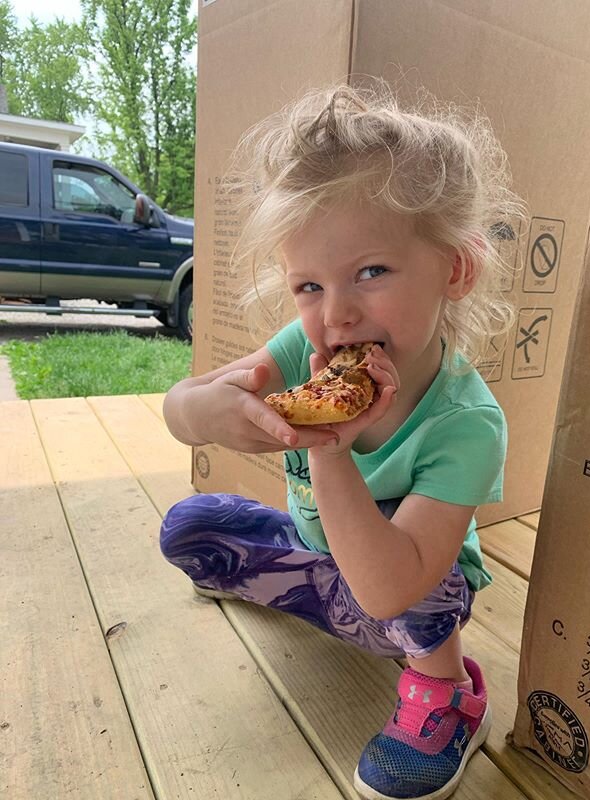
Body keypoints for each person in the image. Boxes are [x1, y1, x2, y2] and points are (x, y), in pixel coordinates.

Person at [159, 83, 526, 800]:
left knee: (418, 589)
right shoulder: (308, 345)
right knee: (189, 528)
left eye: (370, 272)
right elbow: (181, 408)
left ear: (455, 268)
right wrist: (206, 413)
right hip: (327, 570)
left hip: (408, 600)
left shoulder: (465, 424)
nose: (338, 314)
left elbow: (392, 586)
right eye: (308, 285)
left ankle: (448, 695)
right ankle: (314, 600)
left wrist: (328, 449)